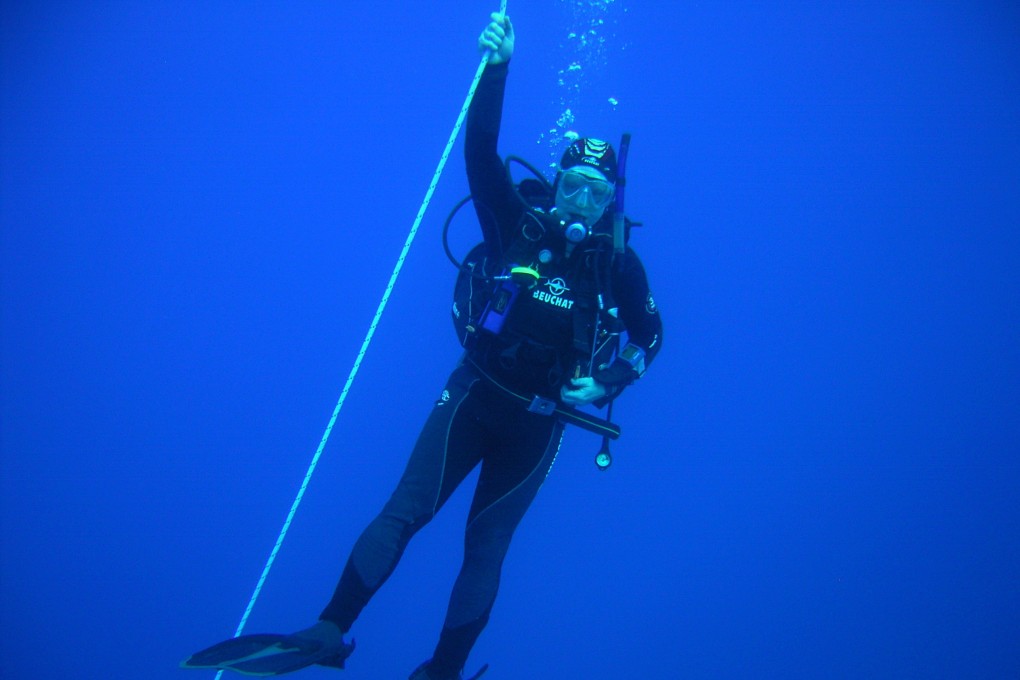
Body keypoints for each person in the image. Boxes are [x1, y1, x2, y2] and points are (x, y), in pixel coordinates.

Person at [182, 13, 662, 680]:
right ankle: (327, 630)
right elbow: (480, 151)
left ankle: (444, 671)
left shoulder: (618, 266)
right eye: (573, 185)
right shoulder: (515, 226)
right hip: (473, 392)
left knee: (487, 548)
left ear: (612, 199)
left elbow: (649, 334)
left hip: (540, 421)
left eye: (597, 191)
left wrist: (610, 381)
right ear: (555, 183)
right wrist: (498, 67)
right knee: (405, 510)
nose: (583, 201)